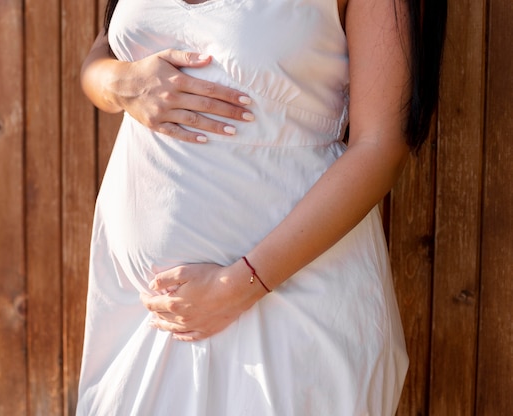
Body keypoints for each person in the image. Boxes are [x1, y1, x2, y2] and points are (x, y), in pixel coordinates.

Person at [77, 0, 447, 414]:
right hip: (139, 311)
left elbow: (380, 146)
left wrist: (238, 286)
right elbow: (103, 51)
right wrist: (118, 82)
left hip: (289, 301)